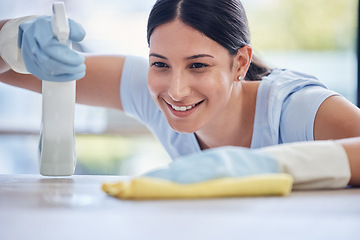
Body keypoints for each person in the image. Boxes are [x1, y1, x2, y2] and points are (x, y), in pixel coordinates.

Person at [0, 0, 359, 188]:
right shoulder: (148, 87)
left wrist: (272, 165)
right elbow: (41, 69)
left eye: (198, 65)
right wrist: (11, 42)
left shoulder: (297, 109)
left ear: (240, 63)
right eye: (160, 63)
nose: (175, 90)